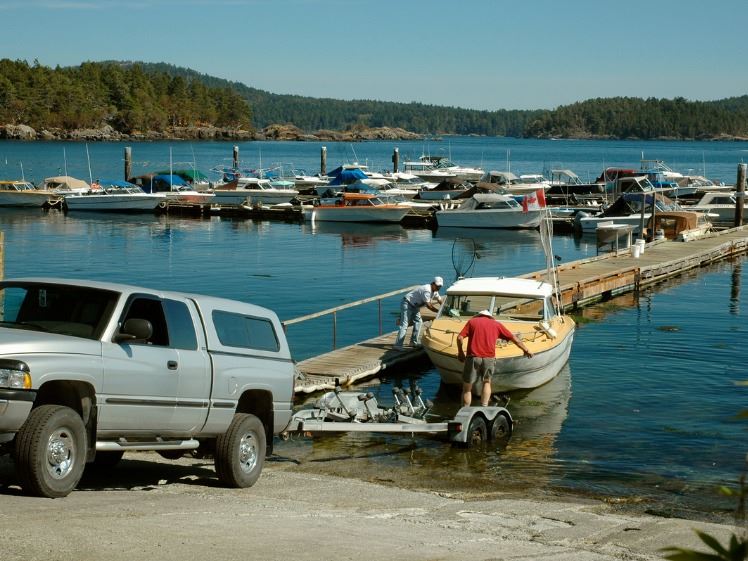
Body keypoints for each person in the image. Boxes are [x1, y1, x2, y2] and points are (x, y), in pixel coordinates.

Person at [457, 310, 533, 407]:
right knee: (487, 382)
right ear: (490, 317)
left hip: (473, 357)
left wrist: (460, 352)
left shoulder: (472, 322)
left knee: (467, 387)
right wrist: (526, 350)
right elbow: (514, 338)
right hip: (489, 358)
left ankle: (465, 410)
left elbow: (460, 338)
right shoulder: (496, 324)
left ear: (479, 315)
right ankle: (484, 407)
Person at [393, 276, 444, 350]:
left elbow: (440, 300)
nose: (438, 288)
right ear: (433, 283)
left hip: (415, 306)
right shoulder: (427, 290)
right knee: (404, 324)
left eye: (440, 286)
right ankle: (397, 345)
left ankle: (413, 342)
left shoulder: (435, 291)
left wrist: (444, 308)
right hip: (407, 303)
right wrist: (439, 311)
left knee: (419, 322)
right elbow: (429, 306)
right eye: (437, 286)